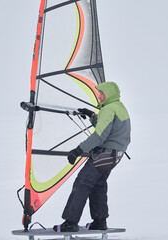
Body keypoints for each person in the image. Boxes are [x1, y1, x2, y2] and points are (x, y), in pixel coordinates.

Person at [53, 81, 131, 232]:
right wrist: (92, 115)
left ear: (108, 94)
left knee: (82, 182)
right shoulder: (119, 107)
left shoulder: (108, 109)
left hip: (105, 154)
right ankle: (100, 221)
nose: (99, 95)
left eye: (102, 93)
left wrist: (77, 150)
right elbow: (110, 128)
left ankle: (70, 222)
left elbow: (99, 136)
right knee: (98, 185)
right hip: (115, 155)